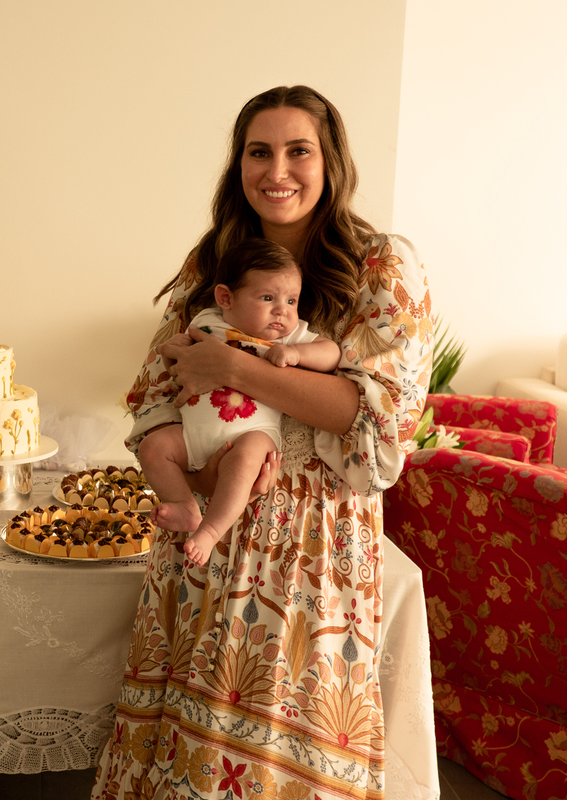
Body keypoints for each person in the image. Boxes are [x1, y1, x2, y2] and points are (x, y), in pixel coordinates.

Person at [94, 86, 431, 800]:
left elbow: (376, 422)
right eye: (259, 151)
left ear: (330, 160)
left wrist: (237, 369)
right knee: (188, 755)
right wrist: (198, 464)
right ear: (238, 164)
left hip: (312, 548)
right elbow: (155, 388)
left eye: (297, 150)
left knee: (279, 756)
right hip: (206, 535)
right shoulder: (213, 263)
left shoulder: (381, 268)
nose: (277, 170)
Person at [143, 237, 340, 568]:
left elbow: (331, 352)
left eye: (292, 300)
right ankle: (183, 504)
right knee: (153, 447)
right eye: (268, 298)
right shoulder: (206, 323)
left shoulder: (285, 337)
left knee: (247, 460)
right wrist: (175, 352)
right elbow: (179, 368)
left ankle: (210, 530)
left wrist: (296, 353)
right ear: (226, 298)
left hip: (253, 432)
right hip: (192, 433)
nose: (283, 310)